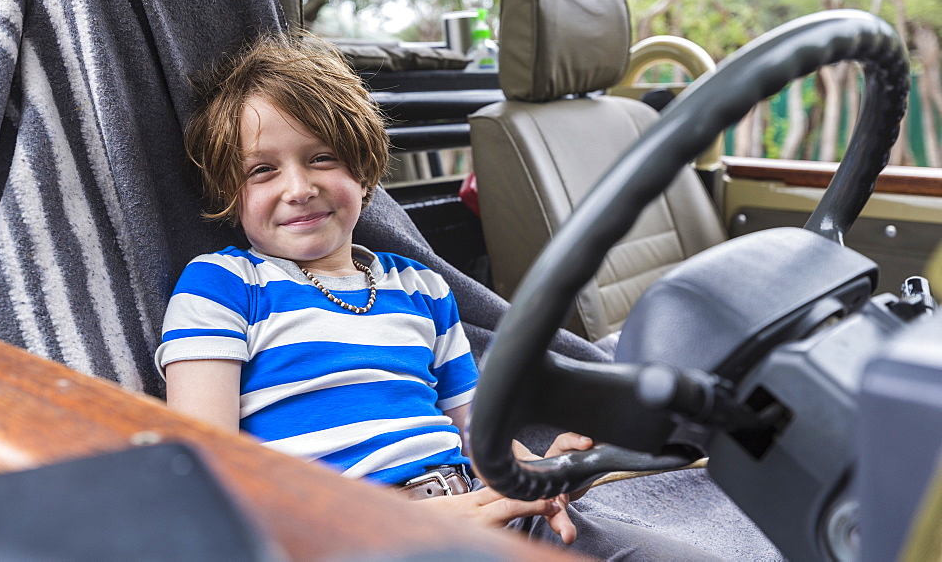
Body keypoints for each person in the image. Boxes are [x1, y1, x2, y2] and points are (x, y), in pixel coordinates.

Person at [158, 31, 721, 560]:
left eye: (321, 157)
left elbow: (479, 432)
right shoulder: (222, 285)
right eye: (262, 170)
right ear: (231, 197)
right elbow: (205, 470)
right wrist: (402, 524)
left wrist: (536, 476)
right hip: (351, 536)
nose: (299, 188)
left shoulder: (420, 287)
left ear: (364, 170)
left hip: (487, 513)